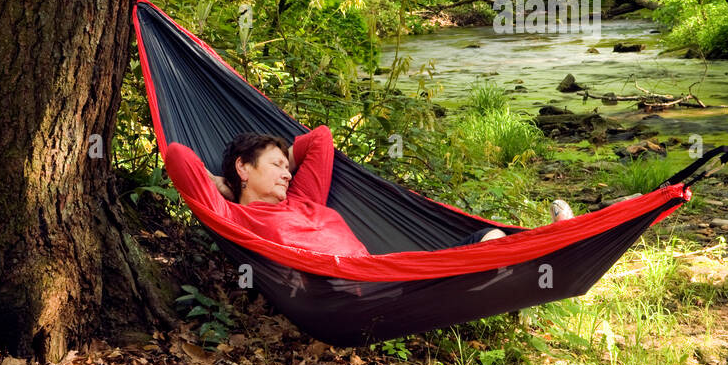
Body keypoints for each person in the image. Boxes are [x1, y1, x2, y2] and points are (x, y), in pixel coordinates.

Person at [162, 125, 505, 254]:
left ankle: (553, 243)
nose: (287, 174)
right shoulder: (233, 217)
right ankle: (554, 243)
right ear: (243, 167)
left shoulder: (302, 198)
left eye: (287, 166)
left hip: (380, 274)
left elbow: (320, 138)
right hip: (343, 289)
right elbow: (177, 154)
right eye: (276, 166)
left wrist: (280, 161)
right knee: (489, 252)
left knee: (491, 238)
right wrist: (223, 183)